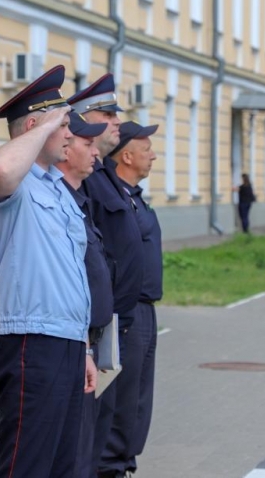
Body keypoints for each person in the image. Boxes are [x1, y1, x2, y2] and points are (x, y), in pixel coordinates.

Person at [0, 65, 97, 477]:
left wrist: (83, 347)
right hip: (30, 340)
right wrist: (44, 127)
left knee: (62, 464)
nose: (70, 134)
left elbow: (70, 275)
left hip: (65, 339)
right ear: (34, 127)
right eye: (63, 125)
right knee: (26, 464)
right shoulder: (14, 183)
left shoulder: (54, 188)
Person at [68, 74, 145, 476]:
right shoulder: (85, 179)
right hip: (97, 327)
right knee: (89, 430)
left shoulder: (104, 174)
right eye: (107, 114)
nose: (117, 122)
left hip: (117, 321)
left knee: (110, 419)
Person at [103, 121, 163, 477]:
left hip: (146, 309)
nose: (153, 156)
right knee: (124, 396)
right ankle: (110, 465)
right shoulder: (113, 197)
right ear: (126, 156)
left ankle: (125, 462)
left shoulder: (133, 197)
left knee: (140, 397)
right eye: (147, 149)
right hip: (127, 310)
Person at [56, 112, 114, 478]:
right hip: (65, 342)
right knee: (69, 452)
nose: (95, 152)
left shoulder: (77, 199)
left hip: (86, 340)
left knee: (85, 446)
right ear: (64, 149)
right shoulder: (54, 199)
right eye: (87, 143)